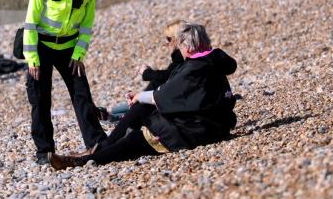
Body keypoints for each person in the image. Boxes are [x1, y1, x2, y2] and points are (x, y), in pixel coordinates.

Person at [49, 23, 237, 170]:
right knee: (142, 111)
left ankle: (85, 160)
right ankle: (99, 149)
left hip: (197, 130)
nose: (179, 49)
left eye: (179, 45)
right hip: (216, 123)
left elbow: (163, 96)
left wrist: (140, 96)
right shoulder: (214, 60)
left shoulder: (195, 68)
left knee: (138, 138)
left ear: (187, 46)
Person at [22, 0, 106, 164]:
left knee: (82, 95)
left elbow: (87, 25)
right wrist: (32, 60)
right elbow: (30, 23)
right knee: (40, 100)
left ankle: (97, 142)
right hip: (42, 47)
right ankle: (44, 151)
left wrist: (79, 54)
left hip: (69, 49)